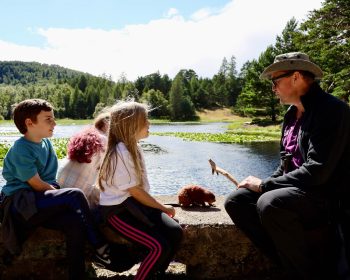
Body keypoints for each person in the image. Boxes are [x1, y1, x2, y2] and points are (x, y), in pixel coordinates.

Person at [223, 52, 350, 280]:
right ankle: (292, 264)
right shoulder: (291, 115)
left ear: (296, 77)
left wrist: (264, 185)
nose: (273, 88)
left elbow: (318, 171)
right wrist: (259, 184)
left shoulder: (332, 110)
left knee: (270, 202)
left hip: (325, 196)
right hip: (299, 193)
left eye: (275, 81)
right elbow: (285, 166)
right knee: (237, 200)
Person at [0, 99, 111, 279]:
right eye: (48, 119)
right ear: (30, 123)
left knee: (74, 222)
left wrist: (58, 193)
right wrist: (61, 194)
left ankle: (77, 275)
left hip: (39, 202)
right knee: (74, 195)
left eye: (53, 118)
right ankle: (100, 245)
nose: (55, 123)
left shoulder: (46, 144)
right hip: (20, 205)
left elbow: (49, 182)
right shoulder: (21, 148)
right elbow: (36, 184)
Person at [98, 100, 183, 280]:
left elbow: (137, 192)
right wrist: (163, 208)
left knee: (175, 232)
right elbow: (135, 191)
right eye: (146, 120)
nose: (149, 124)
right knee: (158, 246)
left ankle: (156, 272)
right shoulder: (120, 152)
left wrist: (157, 207)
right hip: (118, 211)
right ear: (131, 125)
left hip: (134, 205)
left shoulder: (132, 147)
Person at [57, 112, 110, 209]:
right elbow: (109, 175)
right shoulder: (103, 140)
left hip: (60, 187)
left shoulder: (83, 136)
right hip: (76, 195)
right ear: (108, 126)